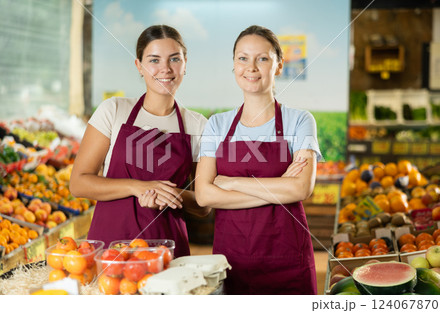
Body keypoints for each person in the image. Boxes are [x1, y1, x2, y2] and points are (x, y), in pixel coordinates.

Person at [195, 25, 322, 295]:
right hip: (231, 261)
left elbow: (301, 189)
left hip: (287, 261)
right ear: (234, 65)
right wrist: (278, 188)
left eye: (262, 58)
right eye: (243, 58)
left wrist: (230, 182)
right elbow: (204, 195)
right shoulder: (217, 124)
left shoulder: (299, 120)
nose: (251, 67)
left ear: (278, 66)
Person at [70, 25, 209, 257]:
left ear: (185, 64)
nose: (165, 68)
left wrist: (166, 194)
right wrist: (139, 187)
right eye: (154, 60)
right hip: (111, 246)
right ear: (139, 66)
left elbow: (204, 205)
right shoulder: (113, 110)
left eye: (174, 59)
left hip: (168, 249)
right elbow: (79, 183)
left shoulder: (198, 125)